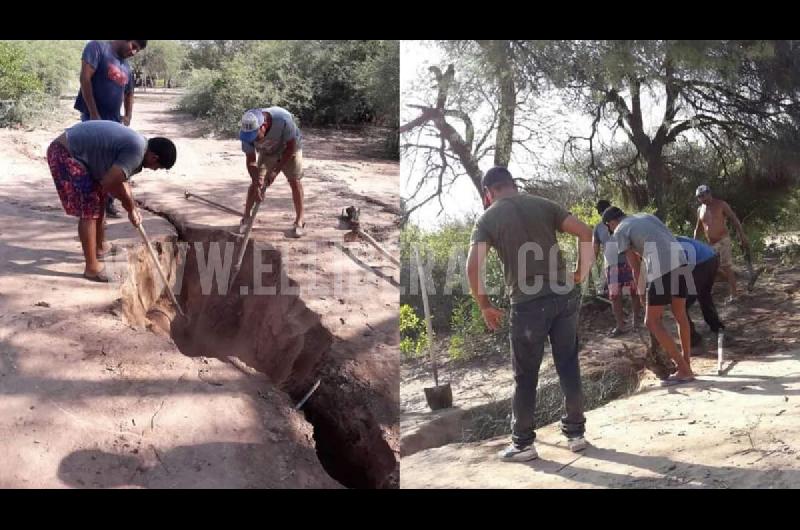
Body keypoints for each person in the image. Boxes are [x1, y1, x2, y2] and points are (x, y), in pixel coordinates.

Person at [466, 167, 595, 462]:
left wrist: (484, 304)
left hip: (527, 305)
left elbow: (473, 268)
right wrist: (581, 272)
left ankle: (523, 443)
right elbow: (586, 232)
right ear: (512, 184)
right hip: (564, 297)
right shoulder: (543, 204)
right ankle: (576, 434)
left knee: (525, 377)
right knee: (568, 363)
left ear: (488, 193)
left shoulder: (488, 218)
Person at [46, 120, 176, 282]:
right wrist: (130, 209)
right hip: (65, 154)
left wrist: (133, 208)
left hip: (75, 153)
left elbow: (122, 180)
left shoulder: (139, 146)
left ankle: (100, 247)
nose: (154, 169)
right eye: (157, 167)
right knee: (89, 208)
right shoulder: (136, 152)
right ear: (154, 157)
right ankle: (92, 268)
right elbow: (110, 182)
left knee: (99, 198)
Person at [603, 207, 695, 385]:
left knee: (651, 322)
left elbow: (635, 267)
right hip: (681, 261)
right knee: (680, 315)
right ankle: (687, 364)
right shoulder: (645, 216)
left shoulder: (620, 230)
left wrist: (641, 291)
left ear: (611, 223)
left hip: (662, 269)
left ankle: (684, 370)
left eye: (609, 227)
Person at [74, 40, 147, 218]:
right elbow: (85, 78)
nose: (134, 52)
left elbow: (129, 93)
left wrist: (128, 116)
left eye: (138, 50)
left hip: (114, 121)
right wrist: (93, 113)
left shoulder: (126, 67)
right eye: (134, 46)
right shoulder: (97, 47)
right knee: (94, 162)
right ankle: (89, 206)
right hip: (93, 119)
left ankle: (107, 203)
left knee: (113, 163)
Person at [239, 107, 305, 238]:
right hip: (268, 151)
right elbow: (251, 161)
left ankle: (300, 220)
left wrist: (275, 171)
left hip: (289, 149)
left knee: (294, 181)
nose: (254, 140)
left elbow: (291, 147)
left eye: (255, 136)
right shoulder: (246, 132)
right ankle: (246, 218)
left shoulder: (283, 119)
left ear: (263, 126)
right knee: (255, 185)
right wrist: (257, 182)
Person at [593, 199, 642, 335]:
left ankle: (636, 321)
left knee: (634, 291)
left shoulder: (624, 223)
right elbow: (595, 247)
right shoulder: (598, 228)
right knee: (615, 296)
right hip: (611, 264)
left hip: (628, 261)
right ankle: (620, 325)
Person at [693, 184, 749, 303]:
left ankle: (734, 295)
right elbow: (698, 228)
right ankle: (732, 283)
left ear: (709, 193)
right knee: (711, 268)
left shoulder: (721, 204)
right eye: (699, 197)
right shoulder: (700, 210)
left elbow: (734, 219)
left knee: (726, 266)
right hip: (711, 244)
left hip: (723, 240)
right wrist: (694, 243)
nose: (702, 198)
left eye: (704, 195)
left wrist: (742, 235)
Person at [675, 236, 725, 350]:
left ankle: (692, 337)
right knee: (704, 295)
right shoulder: (673, 239)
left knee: (680, 305)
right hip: (711, 258)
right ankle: (716, 326)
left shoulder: (663, 246)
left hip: (700, 263)